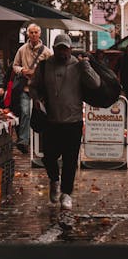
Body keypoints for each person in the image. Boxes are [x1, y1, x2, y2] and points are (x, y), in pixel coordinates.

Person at [30, 33, 101, 211]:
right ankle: (54, 180)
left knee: (70, 161)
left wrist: (86, 65)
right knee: (48, 158)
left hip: (73, 121)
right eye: (59, 48)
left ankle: (66, 194)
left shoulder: (78, 65)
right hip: (51, 121)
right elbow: (33, 86)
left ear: (70, 49)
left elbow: (95, 84)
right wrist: (37, 100)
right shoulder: (45, 65)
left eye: (66, 48)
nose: (63, 52)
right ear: (54, 49)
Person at [12, 23, 51, 153]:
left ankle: (44, 143)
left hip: (40, 90)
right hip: (26, 88)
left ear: (39, 34)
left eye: (36, 32)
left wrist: (38, 73)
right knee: (25, 113)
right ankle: (23, 141)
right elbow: (15, 65)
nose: (33, 35)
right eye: (31, 32)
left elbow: (51, 68)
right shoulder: (22, 49)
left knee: (42, 114)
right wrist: (23, 70)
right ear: (28, 34)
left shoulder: (46, 51)